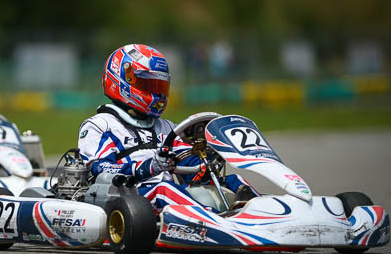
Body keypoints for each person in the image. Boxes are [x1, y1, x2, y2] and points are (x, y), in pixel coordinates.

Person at [78, 44, 257, 214]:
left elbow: (186, 161)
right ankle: (212, 220)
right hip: (126, 196)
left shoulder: (166, 127)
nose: (157, 94)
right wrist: (148, 167)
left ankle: (264, 212)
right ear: (123, 80)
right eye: (149, 86)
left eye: (160, 87)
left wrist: (205, 161)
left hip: (167, 196)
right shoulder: (100, 125)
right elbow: (102, 168)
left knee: (233, 181)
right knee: (164, 189)